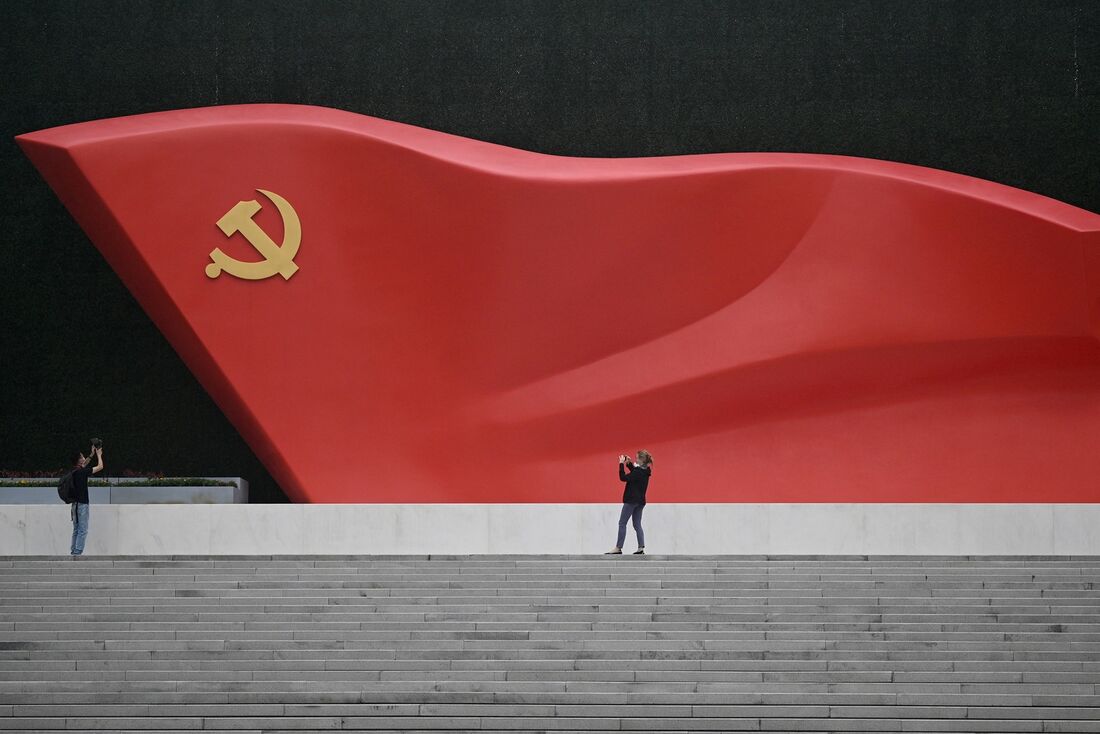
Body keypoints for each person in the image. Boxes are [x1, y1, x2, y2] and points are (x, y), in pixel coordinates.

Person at [606, 450, 653, 555]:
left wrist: (621, 464)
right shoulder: (645, 472)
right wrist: (629, 464)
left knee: (622, 523)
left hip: (631, 500)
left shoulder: (638, 472)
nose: (635, 459)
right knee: (637, 524)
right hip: (640, 501)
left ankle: (618, 547)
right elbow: (635, 473)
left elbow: (623, 478)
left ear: (641, 460)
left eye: (637, 458)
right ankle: (641, 548)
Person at [68, 442, 103, 556]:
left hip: (74, 505)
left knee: (76, 529)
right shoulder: (82, 472)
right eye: (82, 457)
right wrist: (99, 455)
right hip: (82, 504)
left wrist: (91, 454)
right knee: (83, 530)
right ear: (79, 460)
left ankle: (74, 551)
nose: (84, 458)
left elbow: (84, 464)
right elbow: (100, 467)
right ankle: (77, 553)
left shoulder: (75, 471)